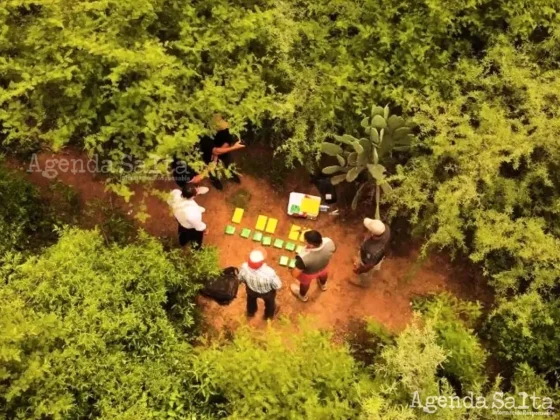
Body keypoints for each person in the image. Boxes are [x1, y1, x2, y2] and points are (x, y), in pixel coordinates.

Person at [290, 230, 336, 302]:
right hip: (324, 267)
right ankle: (323, 285)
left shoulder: (304, 257)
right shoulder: (329, 241)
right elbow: (334, 249)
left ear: (310, 245)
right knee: (323, 275)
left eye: (306, 240)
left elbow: (295, 274)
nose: (304, 241)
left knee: (305, 284)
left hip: (309, 274)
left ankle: (302, 296)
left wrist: (292, 270)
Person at [238, 249, 282, 319]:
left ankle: (250, 312)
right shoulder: (269, 273)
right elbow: (278, 285)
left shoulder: (244, 268)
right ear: (261, 261)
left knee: (250, 300)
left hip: (251, 290)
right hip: (267, 293)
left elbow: (240, 279)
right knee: (270, 304)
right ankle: (268, 316)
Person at [349, 218, 391, 287]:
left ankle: (364, 283)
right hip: (380, 256)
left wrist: (359, 270)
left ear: (373, 234)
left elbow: (369, 265)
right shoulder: (386, 229)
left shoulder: (371, 250)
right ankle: (374, 269)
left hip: (369, 261)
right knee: (377, 264)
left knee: (366, 273)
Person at [210, 114, 246, 186]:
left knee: (230, 164)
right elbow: (210, 146)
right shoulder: (207, 132)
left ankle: (233, 176)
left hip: (223, 149)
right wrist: (214, 154)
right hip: (211, 151)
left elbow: (227, 141)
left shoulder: (226, 129)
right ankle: (216, 181)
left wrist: (217, 153)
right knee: (212, 168)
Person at [167, 184, 207, 248]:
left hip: (180, 219)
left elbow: (169, 201)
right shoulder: (192, 213)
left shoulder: (175, 192)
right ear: (193, 196)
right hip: (189, 227)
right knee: (196, 237)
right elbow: (198, 226)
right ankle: (196, 248)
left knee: (182, 232)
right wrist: (204, 229)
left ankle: (182, 243)